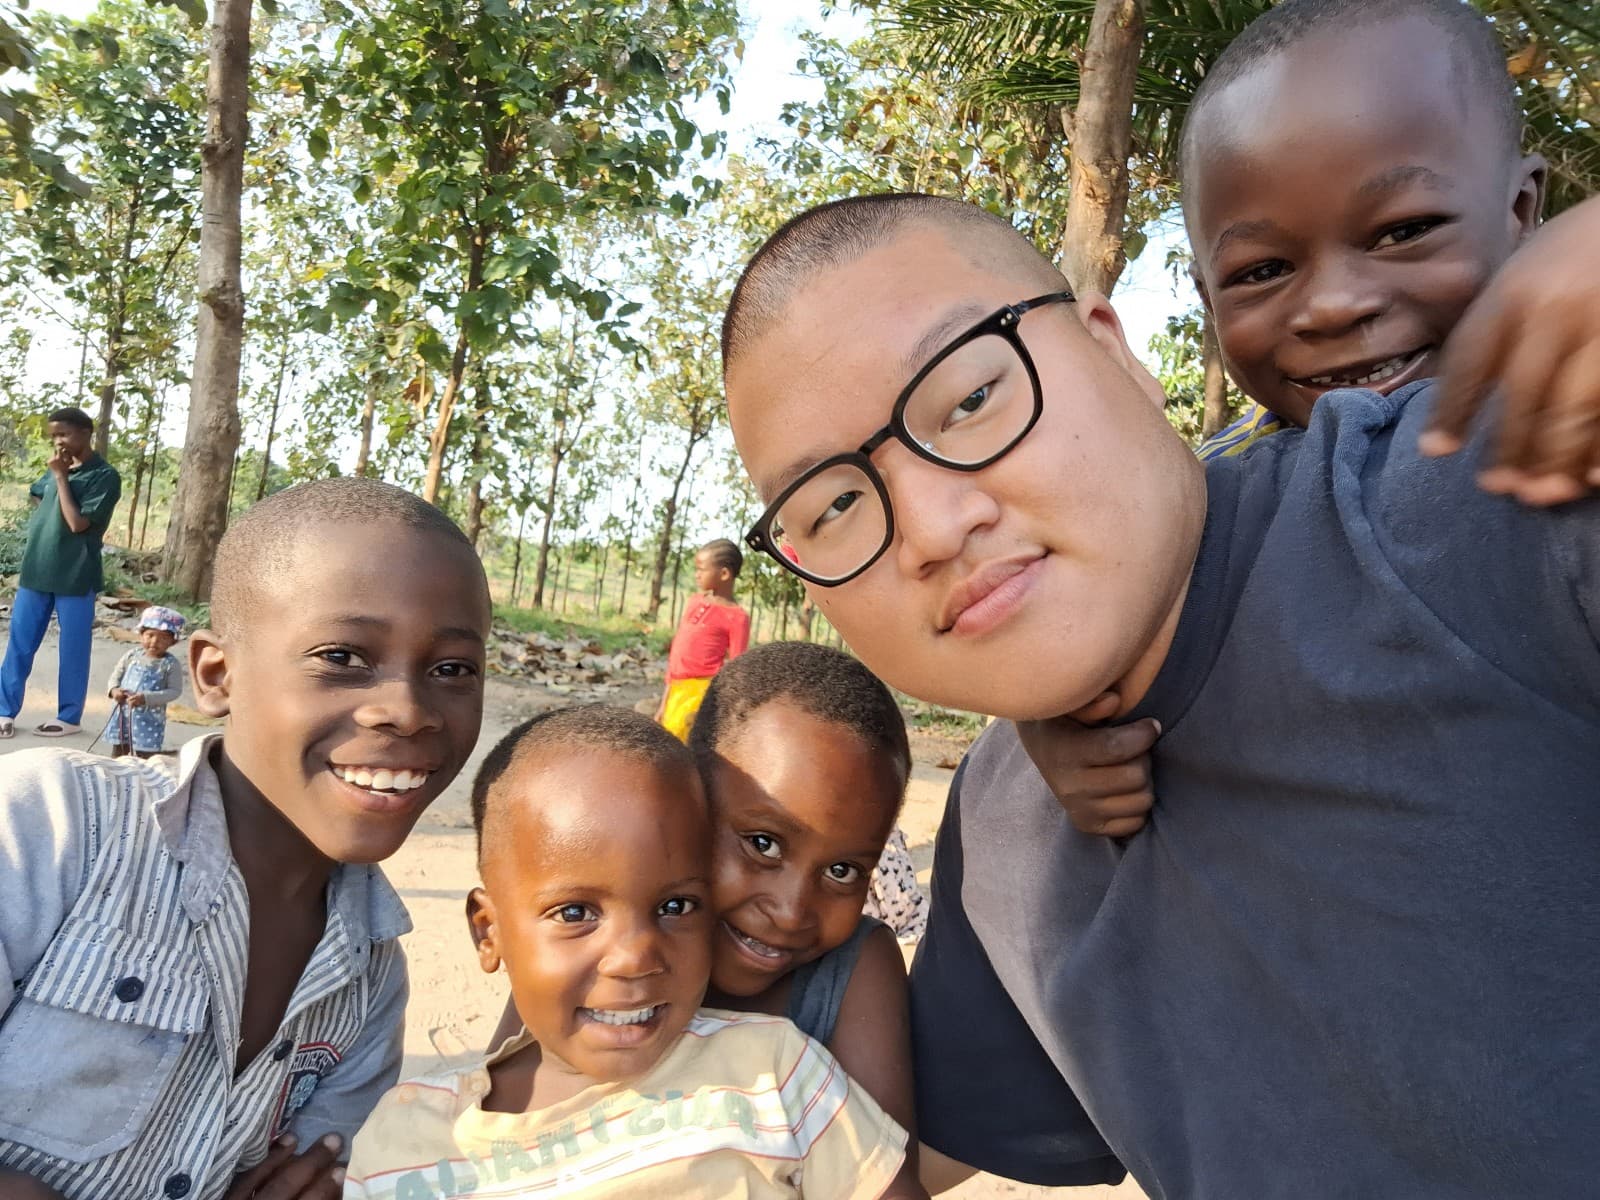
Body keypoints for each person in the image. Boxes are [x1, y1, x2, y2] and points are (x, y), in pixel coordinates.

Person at [719, 163, 1599, 1200]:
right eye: (829, 509)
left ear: (1111, 350)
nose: (931, 528)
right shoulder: (1006, 822)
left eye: (967, 397)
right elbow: (898, 1152)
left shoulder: (1475, 508)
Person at [1024, 0, 1600, 840]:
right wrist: (1057, 723)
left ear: (1521, 211)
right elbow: (1083, 614)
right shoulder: (1208, 486)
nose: (1332, 305)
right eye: (1262, 270)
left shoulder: (1564, 390)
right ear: (1204, 295)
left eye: (1405, 230)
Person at [0, 478, 491, 1200]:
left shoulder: (367, 982)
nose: (406, 711)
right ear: (215, 674)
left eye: (451, 669)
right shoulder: (56, 828)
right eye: (343, 657)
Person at [347, 705, 920, 1199]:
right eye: (576, 914)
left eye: (675, 908)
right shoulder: (404, 1139)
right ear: (488, 932)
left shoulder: (775, 1074)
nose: (635, 957)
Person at [0, 407, 121, 740]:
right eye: (54, 435)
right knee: (20, 645)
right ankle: (3, 711)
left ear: (86, 433)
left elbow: (78, 524)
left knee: (73, 648)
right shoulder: (58, 469)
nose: (58, 441)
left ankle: (69, 716)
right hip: (37, 568)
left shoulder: (104, 476)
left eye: (64, 434)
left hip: (76, 575)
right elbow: (38, 495)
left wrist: (61, 478)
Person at [654, 538, 750, 741]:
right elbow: (676, 656)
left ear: (724, 574)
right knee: (668, 739)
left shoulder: (737, 617)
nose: (697, 575)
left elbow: (737, 667)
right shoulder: (694, 602)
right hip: (677, 690)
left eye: (701, 569)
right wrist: (664, 701)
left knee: (682, 744)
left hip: (701, 692)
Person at [101, 605, 186, 758]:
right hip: (123, 713)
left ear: (173, 642)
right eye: (150, 635)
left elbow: (174, 691)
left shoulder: (170, 664)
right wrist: (114, 690)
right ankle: (115, 775)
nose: (155, 642)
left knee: (146, 754)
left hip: (149, 719)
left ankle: (144, 778)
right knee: (119, 749)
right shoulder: (131, 655)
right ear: (141, 635)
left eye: (163, 638)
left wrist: (146, 698)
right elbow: (116, 675)